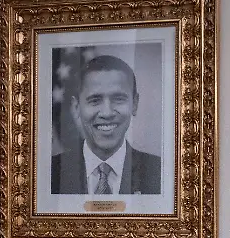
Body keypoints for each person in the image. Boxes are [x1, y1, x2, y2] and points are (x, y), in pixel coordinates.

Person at [51, 55, 161, 194]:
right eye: (95, 100)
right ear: (76, 107)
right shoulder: (49, 172)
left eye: (118, 99)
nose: (107, 113)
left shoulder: (161, 173)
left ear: (135, 103)